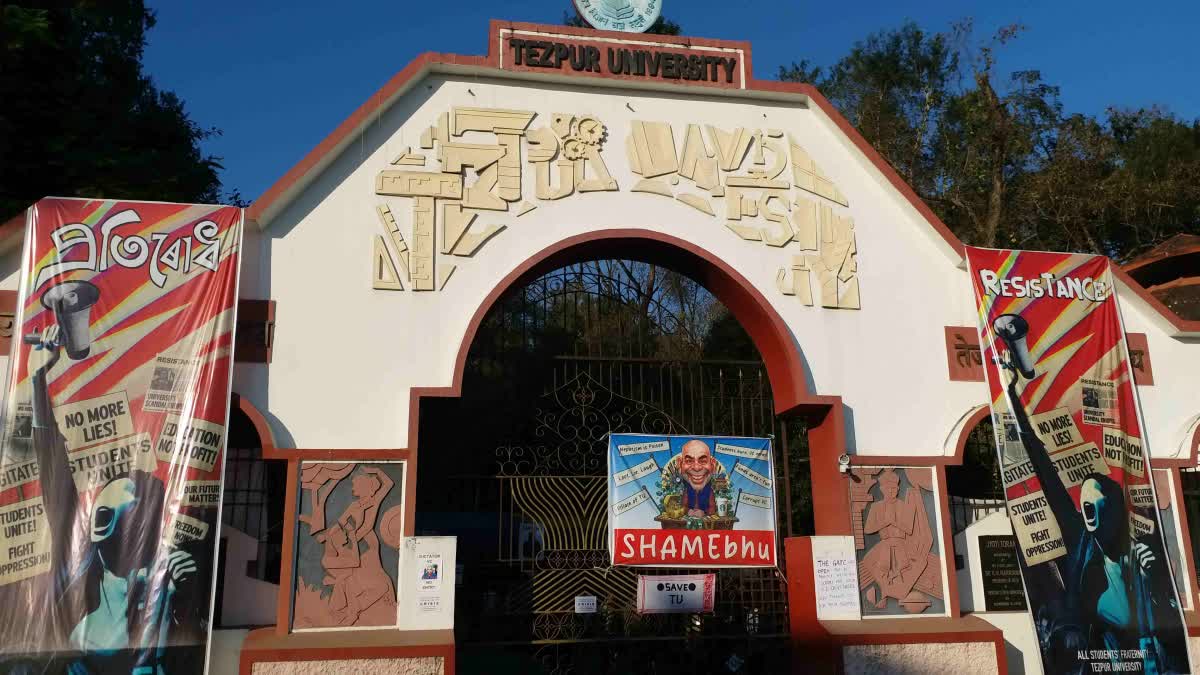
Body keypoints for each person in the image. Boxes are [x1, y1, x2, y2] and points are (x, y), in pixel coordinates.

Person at [1, 325, 200, 674]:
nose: (101, 519)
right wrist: (37, 381)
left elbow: (181, 651)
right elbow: (55, 472)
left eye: (120, 511)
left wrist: (181, 598)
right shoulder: (79, 565)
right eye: (101, 511)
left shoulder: (165, 578)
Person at [1003, 345, 1187, 674]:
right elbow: (1044, 469)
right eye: (1083, 500)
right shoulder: (1080, 541)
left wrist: (1156, 582)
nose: (1085, 504)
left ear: (1113, 508)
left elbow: (1171, 621)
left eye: (1094, 499)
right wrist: (1012, 396)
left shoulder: (1141, 553)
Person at [677, 439, 717, 518]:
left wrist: (704, 512)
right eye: (689, 461)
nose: (697, 468)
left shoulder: (709, 491)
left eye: (703, 461)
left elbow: (712, 509)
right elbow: (683, 506)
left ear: (712, 465)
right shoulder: (687, 490)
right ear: (680, 464)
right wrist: (688, 511)